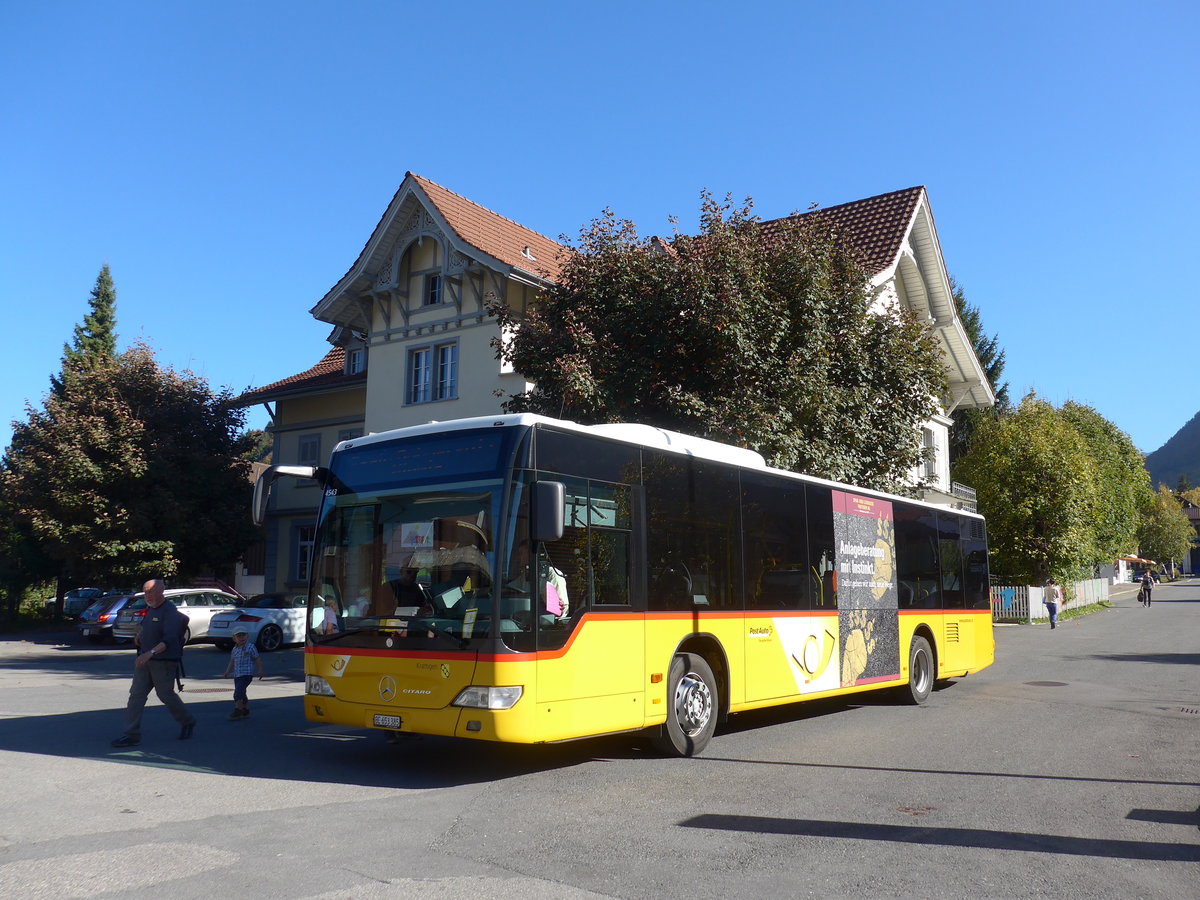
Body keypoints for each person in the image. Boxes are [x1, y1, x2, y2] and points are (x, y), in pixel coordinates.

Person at [110, 578, 196, 746]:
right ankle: (131, 734)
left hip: (163, 662)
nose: (147, 595)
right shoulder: (151, 609)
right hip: (145, 661)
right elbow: (147, 626)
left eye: (150, 591)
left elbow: (169, 640)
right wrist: (140, 634)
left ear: (161, 591)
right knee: (136, 696)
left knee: (165, 695)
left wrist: (149, 653)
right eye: (145, 591)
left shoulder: (169, 611)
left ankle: (187, 720)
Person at [222, 628, 264, 719]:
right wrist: (227, 671)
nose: (242, 638)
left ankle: (238, 710)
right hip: (237, 675)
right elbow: (232, 661)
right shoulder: (235, 649)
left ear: (247, 636)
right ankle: (245, 709)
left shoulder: (250, 647)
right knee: (242, 692)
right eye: (239, 636)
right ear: (234, 639)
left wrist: (260, 670)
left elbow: (257, 658)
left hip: (247, 674)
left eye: (243, 635)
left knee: (237, 693)